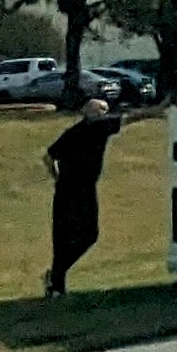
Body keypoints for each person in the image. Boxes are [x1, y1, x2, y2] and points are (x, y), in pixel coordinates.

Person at [42, 99, 126, 298]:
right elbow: (130, 118)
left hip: (68, 189)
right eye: (101, 109)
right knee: (86, 235)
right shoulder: (97, 127)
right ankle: (56, 284)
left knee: (68, 238)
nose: (105, 113)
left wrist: (57, 178)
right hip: (78, 190)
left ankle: (55, 280)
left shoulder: (74, 131)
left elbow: (48, 156)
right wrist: (157, 110)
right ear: (89, 111)